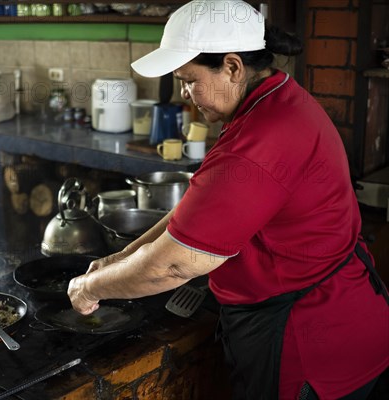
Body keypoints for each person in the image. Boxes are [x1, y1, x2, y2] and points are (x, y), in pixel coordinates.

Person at [67, 1, 389, 399]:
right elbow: (191, 215)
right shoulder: (277, 98)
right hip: (341, 316)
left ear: (233, 67)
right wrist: (121, 258)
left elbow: (171, 265)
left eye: (189, 80)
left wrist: (90, 288)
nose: (185, 94)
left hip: (309, 343)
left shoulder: (257, 143)